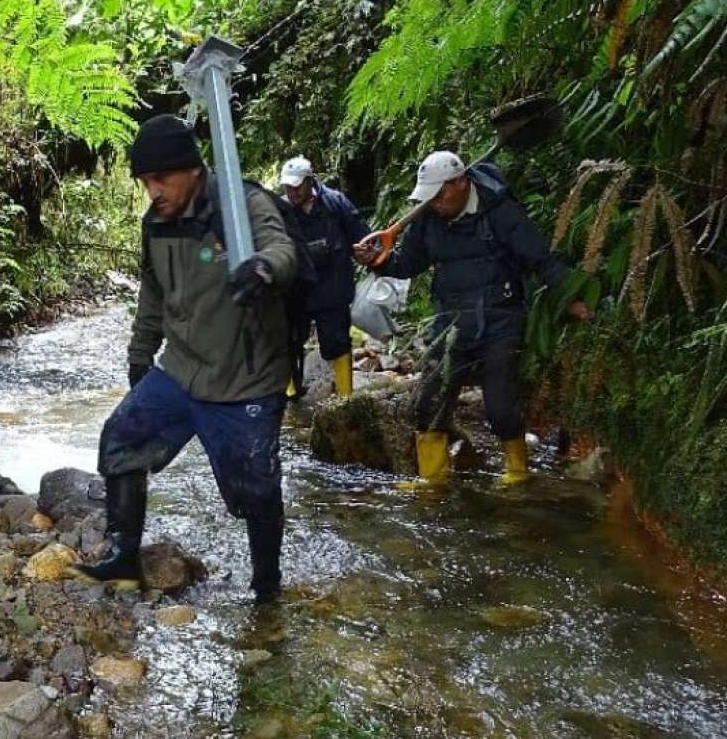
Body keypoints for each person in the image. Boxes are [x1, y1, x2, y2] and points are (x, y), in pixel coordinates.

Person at [72, 115, 297, 605]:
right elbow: (152, 295)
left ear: (193, 170)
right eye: (145, 182)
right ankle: (123, 556)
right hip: (179, 371)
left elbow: (282, 248)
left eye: (161, 179)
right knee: (121, 440)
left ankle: (266, 590)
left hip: (244, 379)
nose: (153, 192)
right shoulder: (155, 224)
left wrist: (262, 267)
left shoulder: (242, 204)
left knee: (255, 491)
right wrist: (139, 356)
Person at [354, 152, 588, 489]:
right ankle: (432, 481)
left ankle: (518, 474)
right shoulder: (427, 217)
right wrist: (377, 261)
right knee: (428, 403)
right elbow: (407, 264)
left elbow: (540, 259)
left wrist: (570, 297)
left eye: (439, 195)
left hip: (500, 319)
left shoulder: (500, 211)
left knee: (501, 407)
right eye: (429, 198)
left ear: (460, 183)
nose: (435, 204)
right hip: (449, 321)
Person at [277, 157, 369, 399]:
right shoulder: (280, 209)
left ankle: (345, 396)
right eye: (287, 187)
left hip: (332, 286)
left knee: (337, 340)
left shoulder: (335, 203)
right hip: (296, 289)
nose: (292, 192)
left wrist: (365, 252)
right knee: (288, 339)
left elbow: (362, 237)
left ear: (311, 181)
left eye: (297, 186)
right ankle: (290, 391)